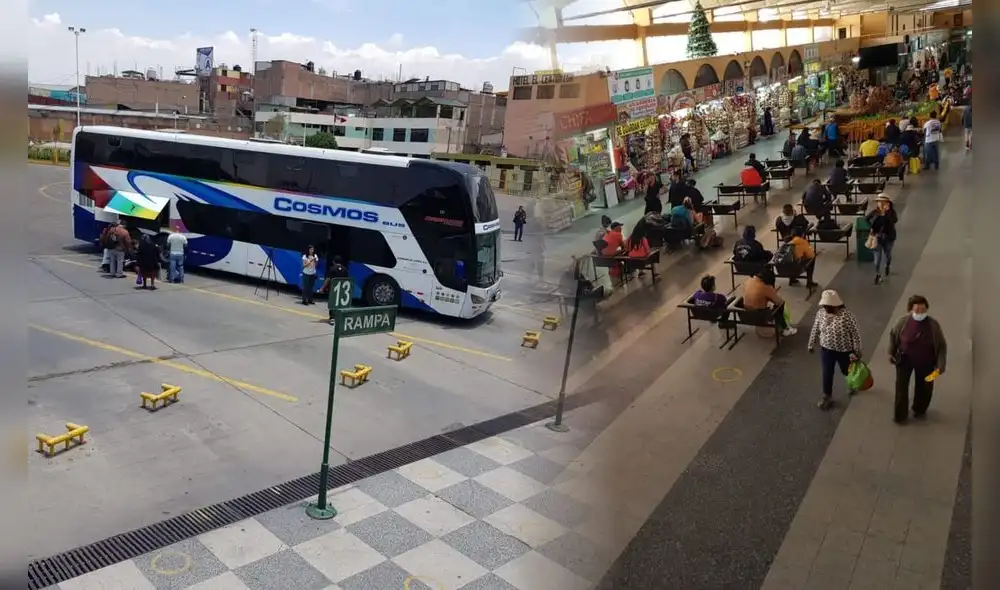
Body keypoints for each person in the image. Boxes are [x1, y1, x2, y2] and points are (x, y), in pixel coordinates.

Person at [888, 295, 948, 423]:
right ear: (910, 310)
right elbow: (893, 336)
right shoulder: (902, 322)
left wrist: (940, 365)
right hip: (904, 360)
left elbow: (942, 345)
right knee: (901, 388)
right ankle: (900, 415)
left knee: (926, 386)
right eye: (917, 310)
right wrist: (890, 353)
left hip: (926, 362)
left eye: (923, 309)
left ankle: (920, 409)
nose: (920, 313)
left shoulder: (933, 325)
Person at [807, 290, 863, 410]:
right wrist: (810, 344)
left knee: (846, 370)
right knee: (827, 372)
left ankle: (852, 383)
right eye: (825, 306)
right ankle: (827, 396)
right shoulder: (820, 314)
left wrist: (857, 349)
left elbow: (855, 334)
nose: (826, 308)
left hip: (845, 351)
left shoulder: (847, 316)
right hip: (826, 350)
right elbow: (815, 329)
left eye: (828, 306)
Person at [743, 269, 797, 337]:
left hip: (746, 314)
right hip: (759, 315)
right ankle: (785, 329)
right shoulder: (765, 287)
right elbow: (779, 302)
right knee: (779, 306)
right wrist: (772, 291)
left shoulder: (749, 281)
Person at [865, 193, 898, 284]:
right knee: (877, 257)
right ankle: (877, 274)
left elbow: (894, 221)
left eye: (883, 202)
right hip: (877, 237)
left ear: (888, 203)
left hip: (889, 237)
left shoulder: (891, 213)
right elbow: (866, 219)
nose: (881, 204)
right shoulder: (875, 212)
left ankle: (887, 265)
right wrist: (871, 227)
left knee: (888, 254)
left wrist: (887, 213)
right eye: (879, 202)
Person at [321, 256, 349, 325]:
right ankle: (339, 318)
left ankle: (332, 318)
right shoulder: (345, 269)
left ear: (334, 262)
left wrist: (322, 288)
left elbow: (328, 279)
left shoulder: (332, 269)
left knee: (332, 304)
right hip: (342, 290)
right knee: (339, 304)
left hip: (333, 290)